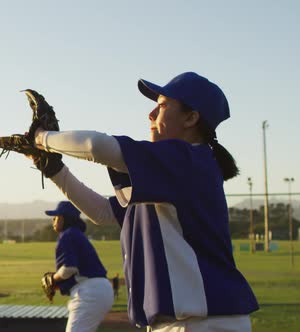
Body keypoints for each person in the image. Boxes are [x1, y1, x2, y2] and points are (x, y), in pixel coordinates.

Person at [29, 72, 259, 331]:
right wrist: (55, 172)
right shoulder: (168, 174)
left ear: (191, 117)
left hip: (204, 323)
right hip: (188, 322)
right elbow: (104, 212)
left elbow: (96, 146)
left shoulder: (190, 160)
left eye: (161, 105)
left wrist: (42, 137)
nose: (151, 114)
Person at [44, 200, 113, 332]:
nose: (53, 219)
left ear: (64, 219)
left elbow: (70, 268)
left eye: (57, 216)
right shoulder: (76, 234)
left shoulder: (68, 235)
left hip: (89, 292)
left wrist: (54, 278)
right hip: (97, 289)